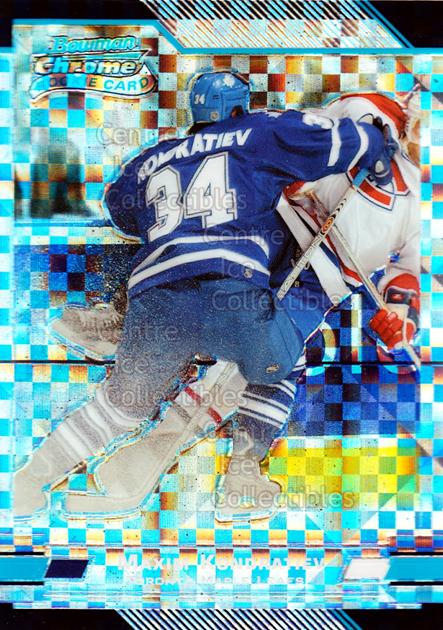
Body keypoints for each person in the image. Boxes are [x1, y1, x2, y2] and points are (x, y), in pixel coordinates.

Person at [14, 71, 396, 519]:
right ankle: (242, 478)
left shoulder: (153, 158)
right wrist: (376, 143)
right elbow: (340, 143)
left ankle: (28, 483)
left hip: (155, 301)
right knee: (282, 360)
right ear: (237, 107)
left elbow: (119, 209)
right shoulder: (258, 131)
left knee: (119, 406)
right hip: (230, 294)